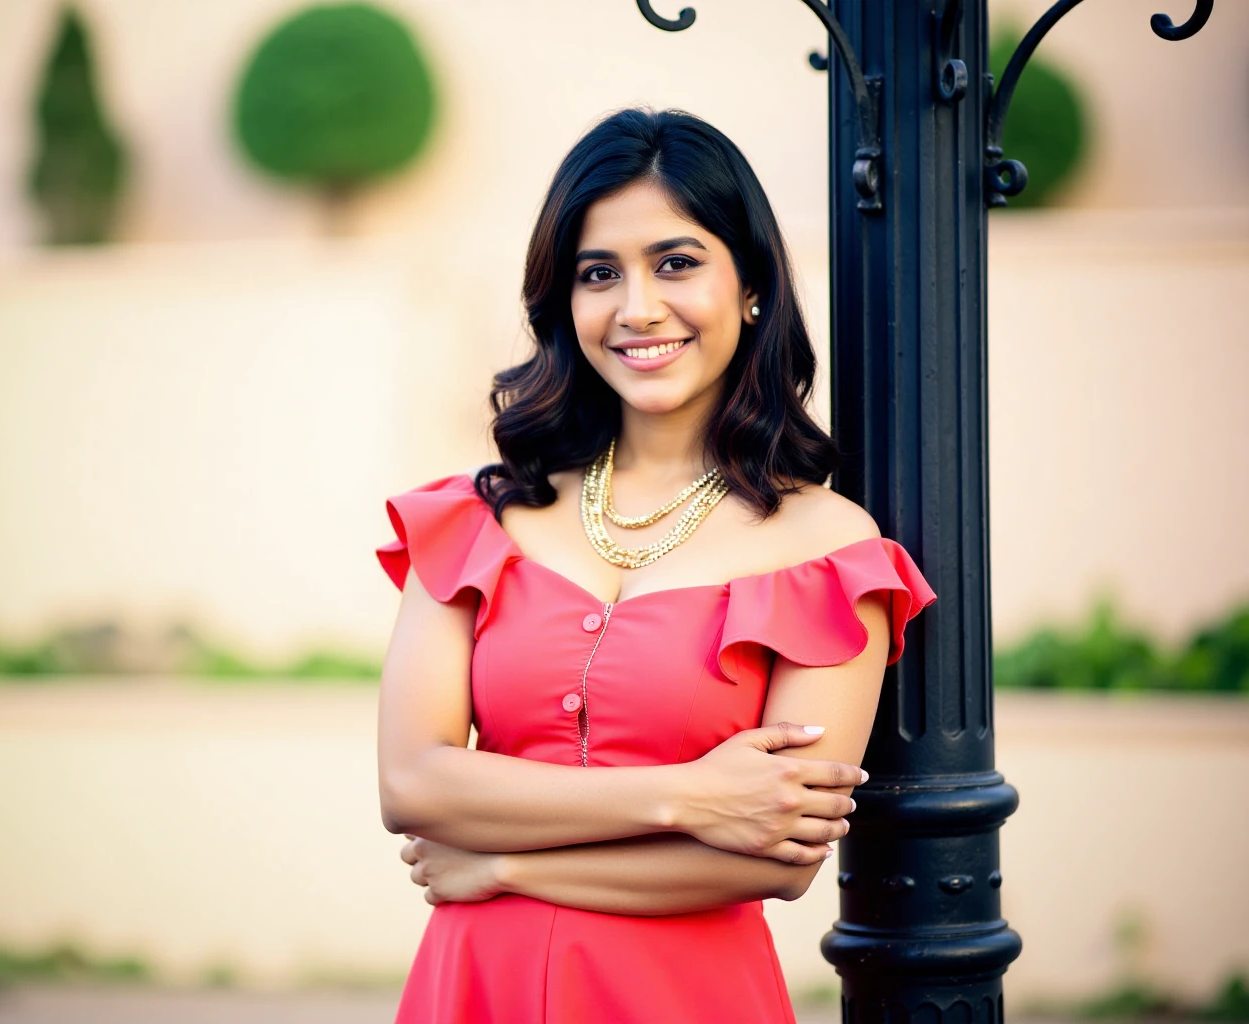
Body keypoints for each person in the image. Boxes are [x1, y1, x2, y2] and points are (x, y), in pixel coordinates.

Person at [374, 107, 936, 1023]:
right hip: (476, 992)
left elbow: (775, 856)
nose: (637, 308)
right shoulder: (478, 518)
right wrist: (695, 796)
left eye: (676, 263)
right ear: (564, 302)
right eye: (599, 274)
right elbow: (415, 784)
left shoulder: (831, 550)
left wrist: (502, 861)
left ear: (750, 284)